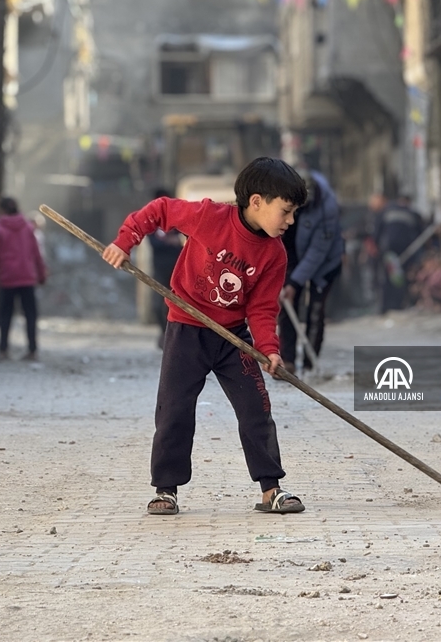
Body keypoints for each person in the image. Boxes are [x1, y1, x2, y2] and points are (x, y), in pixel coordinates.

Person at [100, 157, 308, 516]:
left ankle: (270, 488)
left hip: (233, 338)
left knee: (256, 410)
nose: (290, 221)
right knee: (174, 410)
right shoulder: (210, 217)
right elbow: (160, 210)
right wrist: (125, 242)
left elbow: (261, 308)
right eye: (286, 211)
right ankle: (166, 490)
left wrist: (270, 350)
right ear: (256, 201)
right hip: (187, 329)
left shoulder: (274, 253)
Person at [279, 169, 344, 374]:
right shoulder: (281, 194)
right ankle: (287, 360)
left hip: (324, 263)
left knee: (316, 310)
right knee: (287, 305)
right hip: (291, 254)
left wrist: (296, 282)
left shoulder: (327, 207)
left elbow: (318, 251)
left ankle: (309, 362)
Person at [0, 196, 47, 361]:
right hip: (27, 278)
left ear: (2, 210)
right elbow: (36, 254)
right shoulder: (28, 227)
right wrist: (41, 275)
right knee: (30, 315)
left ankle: (3, 350)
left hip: (7, 278)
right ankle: (32, 350)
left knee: (5, 315)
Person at [146, 188, 184, 349]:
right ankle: (165, 334)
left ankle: (174, 337)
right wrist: (170, 242)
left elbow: (182, 241)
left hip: (177, 270)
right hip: (159, 271)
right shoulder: (151, 222)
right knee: (158, 306)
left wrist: (173, 241)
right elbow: (155, 243)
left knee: (175, 305)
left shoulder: (177, 220)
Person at [374, 194, 423, 313]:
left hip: (390, 248)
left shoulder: (387, 211)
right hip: (406, 248)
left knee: (389, 275)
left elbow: (377, 231)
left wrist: (379, 247)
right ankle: (401, 303)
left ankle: (386, 306)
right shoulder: (412, 213)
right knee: (404, 275)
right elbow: (419, 232)